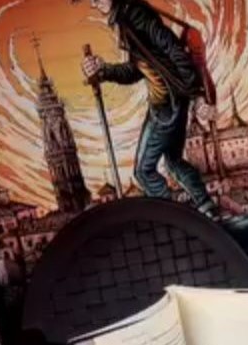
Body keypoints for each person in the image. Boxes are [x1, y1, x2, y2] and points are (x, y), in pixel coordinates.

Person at [80, 0, 219, 218]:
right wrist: (104, 70)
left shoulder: (134, 15)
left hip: (165, 105)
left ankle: (173, 218)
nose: (93, 3)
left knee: (143, 172)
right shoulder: (128, 17)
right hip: (175, 100)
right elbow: (137, 69)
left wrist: (197, 93)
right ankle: (206, 206)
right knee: (174, 162)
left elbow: (174, 49)